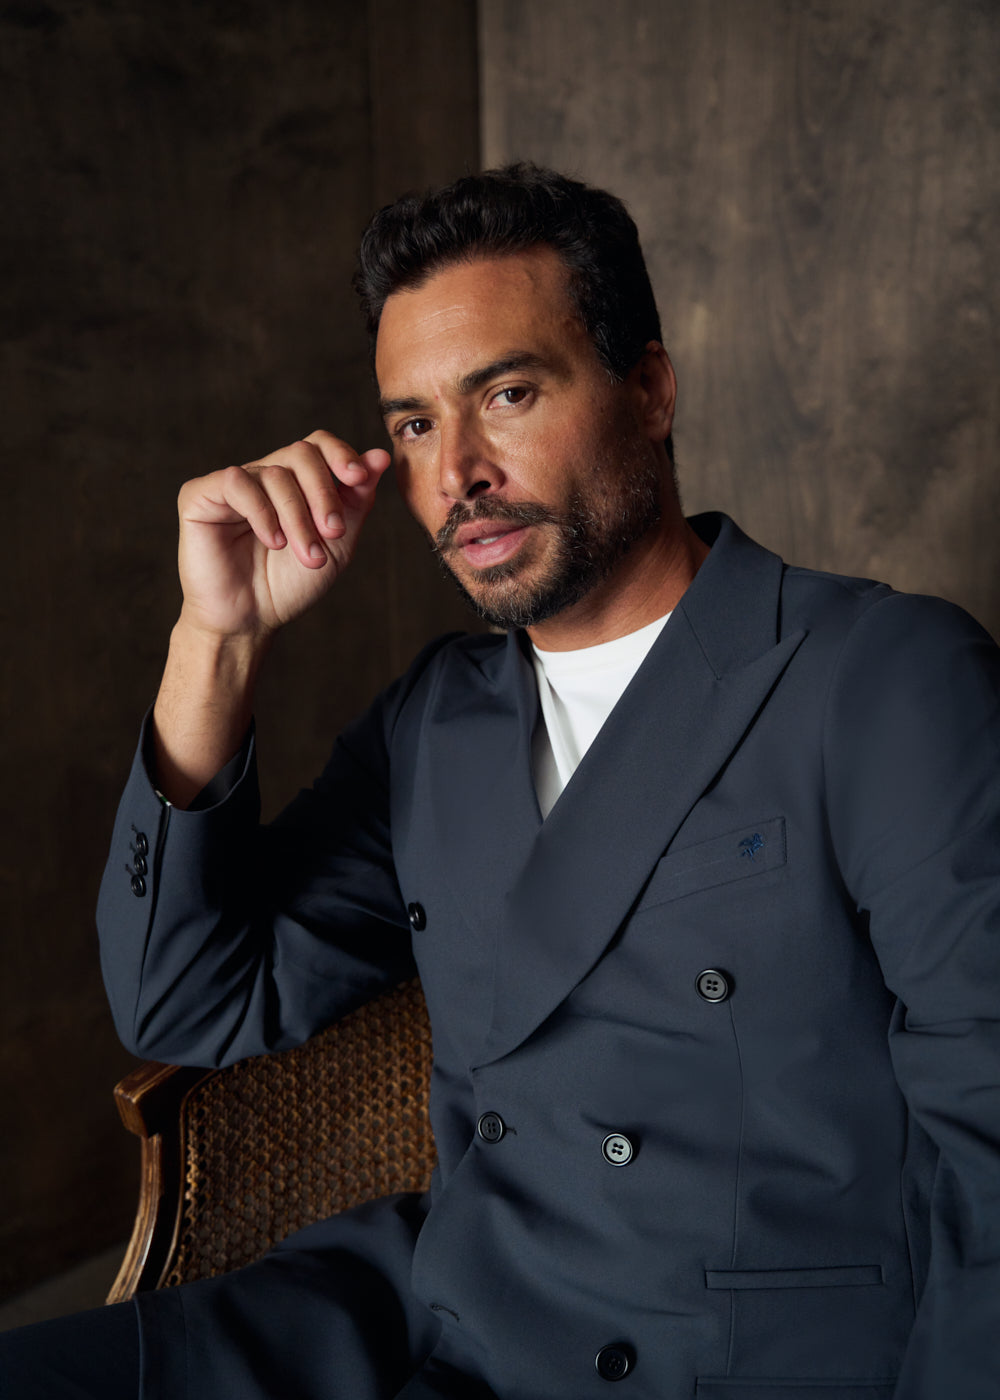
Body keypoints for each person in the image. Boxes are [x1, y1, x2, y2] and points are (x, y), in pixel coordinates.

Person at [5, 164, 999, 1399]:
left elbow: (990, 1133)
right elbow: (187, 1002)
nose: (455, 470)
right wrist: (217, 641)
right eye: (415, 422)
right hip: (428, 1309)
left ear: (650, 389)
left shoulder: (881, 674)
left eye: (508, 393)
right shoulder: (441, 717)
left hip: (715, 1355)